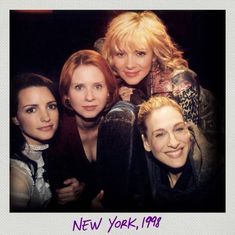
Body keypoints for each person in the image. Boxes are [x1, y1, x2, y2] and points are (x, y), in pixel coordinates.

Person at [99, 10, 216, 142]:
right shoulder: (117, 82)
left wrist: (136, 104)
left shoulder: (181, 82)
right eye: (121, 54)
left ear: (154, 55)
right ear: (112, 57)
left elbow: (187, 146)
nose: (130, 65)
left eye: (140, 53)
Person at [47, 49, 119, 211]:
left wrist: (84, 188)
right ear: (66, 95)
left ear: (109, 92)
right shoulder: (55, 133)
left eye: (98, 86)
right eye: (79, 87)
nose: (89, 97)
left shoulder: (119, 126)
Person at [137, 96, 224, 212]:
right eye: (160, 134)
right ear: (146, 143)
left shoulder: (221, 180)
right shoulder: (148, 175)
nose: (174, 143)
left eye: (179, 129)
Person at [10, 73, 60, 212]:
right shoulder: (16, 178)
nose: (45, 117)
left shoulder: (46, 153)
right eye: (31, 110)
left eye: (51, 106)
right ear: (15, 118)